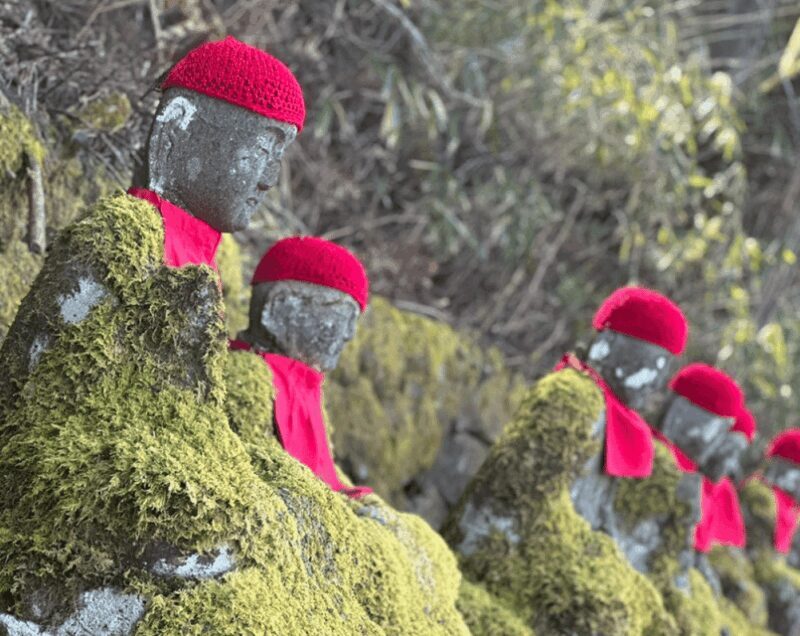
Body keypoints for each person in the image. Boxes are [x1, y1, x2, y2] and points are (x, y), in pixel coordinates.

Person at [229, 236, 372, 497]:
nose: (349, 334)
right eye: (341, 313)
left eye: (355, 321)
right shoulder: (239, 381)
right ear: (280, 306)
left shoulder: (309, 391)